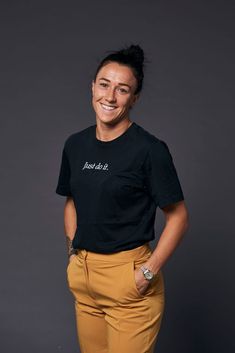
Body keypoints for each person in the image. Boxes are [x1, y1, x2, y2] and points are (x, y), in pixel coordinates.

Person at [55, 44, 189, 353]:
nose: (110, 97)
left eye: (123, 89)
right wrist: (73, 253)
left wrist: (146, 274)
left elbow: (179, 217)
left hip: (129, 281)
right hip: (84, 277)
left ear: (134, 98)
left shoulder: (149, 150)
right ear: (93, 86)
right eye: (104, 84)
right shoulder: (75, 145)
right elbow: (72, 200)